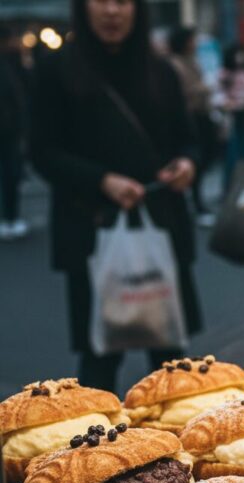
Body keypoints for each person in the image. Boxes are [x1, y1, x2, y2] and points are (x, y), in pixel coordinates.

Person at [30, 0, 201, 392]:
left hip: (161, 224)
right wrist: (102, 180)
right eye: (101, 0)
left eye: (123, 1)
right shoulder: (57, 69)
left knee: (172, 365)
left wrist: (186, 165)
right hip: (91, 229)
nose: (112, 11)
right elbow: (41, 151)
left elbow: (190, 140)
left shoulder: (160, 69)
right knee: (99, 360)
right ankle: (98, 452)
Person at [167, 26, 216, 226]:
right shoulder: (175, 64)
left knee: (203, 159)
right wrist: (203, 89)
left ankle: (196, 201)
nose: (195, 43)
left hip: (202, 116)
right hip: (190, 117)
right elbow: (184, 91)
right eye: (192, 40)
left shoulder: (192, 61)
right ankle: (195, 203)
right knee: (193, 161)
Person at [0, 25, 28, 241]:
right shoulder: (11, 62)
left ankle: (8, 217)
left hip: (9, 128)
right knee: (10, 173)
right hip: (9, 129)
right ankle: (10, 217)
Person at [217, 43, 244, 191]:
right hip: (231, 117)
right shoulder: (225, 73)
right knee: (232, 154)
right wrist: (228, 103)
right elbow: (218, 96)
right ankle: (230, 187)